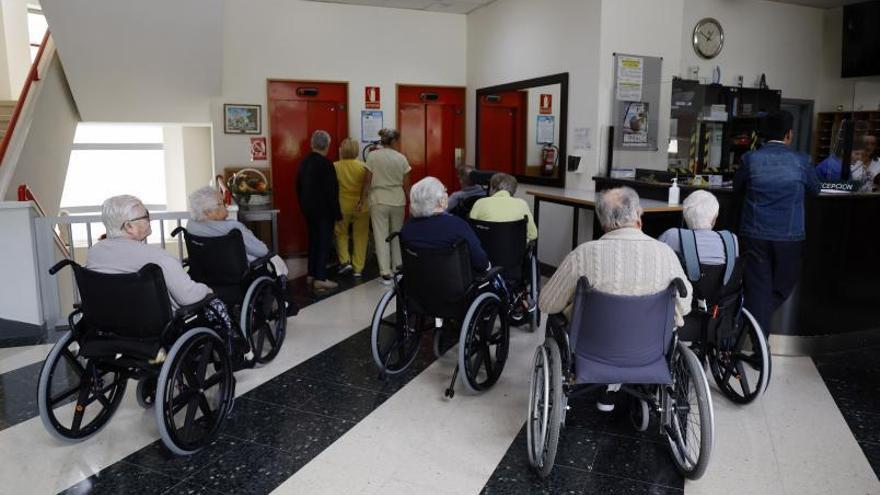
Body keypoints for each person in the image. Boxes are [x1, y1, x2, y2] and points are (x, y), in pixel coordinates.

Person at [539, 187, 692, 412]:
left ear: (602, 222)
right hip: (650, 353)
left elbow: (546, 302)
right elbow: (685, 307)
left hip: (591, 351)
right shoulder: (666, 254)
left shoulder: (583, 254)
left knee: (556, 318)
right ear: (639, 214)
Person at [86, 195, 238, 348]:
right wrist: (206, 289)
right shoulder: (157, 257)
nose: (149, 219)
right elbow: (188, 297)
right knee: (214, 302)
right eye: (146, 215)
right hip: (156, 331)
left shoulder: (94, 253)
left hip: (109, 327)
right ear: (128, 227)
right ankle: (233, 351)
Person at [734, 110, 820, 335]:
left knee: (758, 288)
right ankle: (757, 336)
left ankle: (754, 335)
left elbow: (736, 188)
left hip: (755, 235)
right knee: (783, 287)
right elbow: (816, 189)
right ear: (789, 134)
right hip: (789, 237)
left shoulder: (750, 159)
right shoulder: (801, 161)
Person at [399, 176, 489, 273]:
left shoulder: (407, 227)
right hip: (454, 285)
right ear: (440, 200)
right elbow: (481, 263)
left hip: (418, 284)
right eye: (444, 191)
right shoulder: (457, 225)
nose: (447, 194)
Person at [361, 128, 412, 285]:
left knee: (381, 235)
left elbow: (367, 181)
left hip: (378, 200)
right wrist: (411, 202)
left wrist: (362, 199)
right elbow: (406, 184)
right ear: (394, 141)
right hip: (397, 199)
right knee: (396, 234)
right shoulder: (402, 158)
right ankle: (398, 266)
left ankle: (385, 273)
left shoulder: (372, 156)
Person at [297, 130, 342, 292]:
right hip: (324, 211)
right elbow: (332, 192)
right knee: (323, 242)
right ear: (327, 146)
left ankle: (311, 274)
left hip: (308, 209)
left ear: (312, 144)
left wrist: (303, 206)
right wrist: (338, 214)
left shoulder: (304, 162)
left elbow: (298, 187)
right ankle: (321, 278)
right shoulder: (326, 164)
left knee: (314, 241)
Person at [186, 186, 270, 262]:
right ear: (208, 212)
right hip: (239, 274)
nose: (226, 205)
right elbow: (262, 251)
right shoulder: (232, 228)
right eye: (222, 202)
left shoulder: (191, 225)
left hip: (206, 274)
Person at [658, 190, 737, 265]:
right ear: (714, 219)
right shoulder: (731, 239)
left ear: (685, 216)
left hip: (683, 279)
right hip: (724, 280)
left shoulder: (672, 235)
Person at [333, 137, 370, 277]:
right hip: (362, 205)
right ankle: (358, 268)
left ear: (342, 150)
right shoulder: (363, 166)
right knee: (361, 236)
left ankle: (345, 261)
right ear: (356, 150)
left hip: (342, 205)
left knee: (341, 233)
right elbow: (367, 185)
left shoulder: (335, 166)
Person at [469, 172, 538, 241]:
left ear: (492, 188)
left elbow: (470, 230)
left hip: (484, 249)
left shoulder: (480, 203)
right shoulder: (522, 204)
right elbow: (533, 234)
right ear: (513, 190)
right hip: (514, 250)